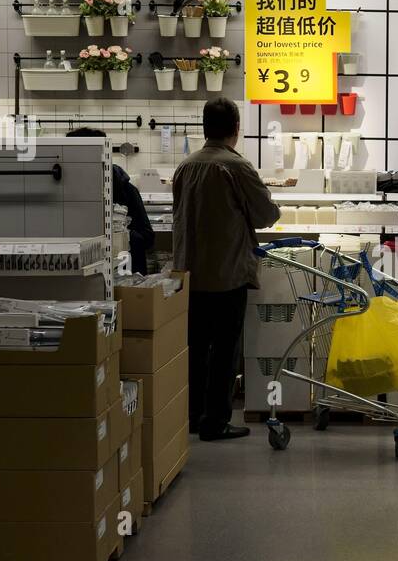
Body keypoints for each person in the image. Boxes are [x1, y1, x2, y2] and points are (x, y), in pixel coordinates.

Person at [173, 98, 280, 441]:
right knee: (224, 350)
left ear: (204, 128)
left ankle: (190, 416)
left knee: (195, 347)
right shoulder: (236, 167)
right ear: (236, 129)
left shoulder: (185, 167)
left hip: (189, 274)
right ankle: (215, 421)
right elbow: (266, 216)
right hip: (227, 273)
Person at [65, 127, 154, 274]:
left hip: (124, 275)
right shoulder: (67, 192)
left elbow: (147, 238)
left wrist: (120, 234)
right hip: (81, 275)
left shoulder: (126, 190)